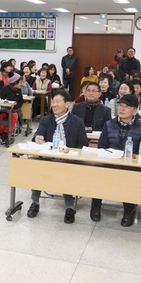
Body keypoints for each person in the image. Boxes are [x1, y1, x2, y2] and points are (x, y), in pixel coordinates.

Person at [28, 90, 88, 224]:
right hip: (48, 159)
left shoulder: (77, 122)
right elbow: (37, 136)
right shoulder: (47, 119)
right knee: (38, 169)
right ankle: (35, 202)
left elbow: (83, 144)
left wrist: (70, 152)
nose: (54, 105)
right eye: (53, 102)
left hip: (69, 160)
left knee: (66, 173)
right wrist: (37, 138)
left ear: (67, 104)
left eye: (57, 102)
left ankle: (70, 208)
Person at [94, 94, 141, 225]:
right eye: (120, 106)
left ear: (135, 110)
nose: (122, 109)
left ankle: (129, 210)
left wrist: (134, 155)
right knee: (97, 173)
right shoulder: (109, 124)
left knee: (129, 178)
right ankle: (96, 205)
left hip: (128, 165)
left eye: (126, 107)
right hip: (109, 162)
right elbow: (101, 146)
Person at [0, 73, 24, 145]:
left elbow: (21, 101)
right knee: (0, 116)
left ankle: (7, 133)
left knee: (14, 115)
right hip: (4, 109)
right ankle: (1, 133)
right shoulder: (5, 89)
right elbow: (0, 99)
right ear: (15, 82)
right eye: (20, 82)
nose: (21, 84)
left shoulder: (19, 90)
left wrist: (14, 107)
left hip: (14, 109)